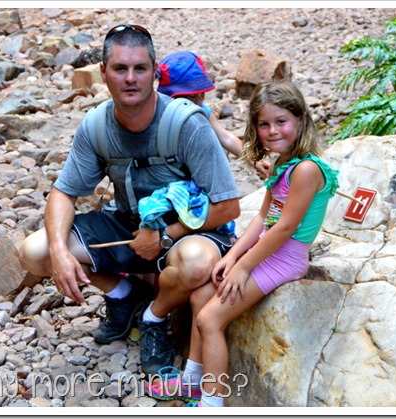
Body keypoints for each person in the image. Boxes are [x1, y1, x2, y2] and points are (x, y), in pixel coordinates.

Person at [18, 24, 241, 375]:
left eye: (140, 69)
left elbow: (228, 206)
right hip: (127, 225)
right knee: (36, 251)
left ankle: (154, 317)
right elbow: (63, 192)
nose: (131, 78)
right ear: (103, 74)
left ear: (154, 73)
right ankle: (124, 295)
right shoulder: (95, 128)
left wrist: (166, 235)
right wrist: (61, 252)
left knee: (197, 263)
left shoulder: (187, 125)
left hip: (187, 231)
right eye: (120, 69)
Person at [144, 80, 339, 406]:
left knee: (210, 319)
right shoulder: (281, 162)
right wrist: (231, 257)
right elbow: (262, 218)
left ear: (300, 120)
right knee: (201, 294)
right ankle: (192, 379)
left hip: (285, 257)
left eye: (281, 121)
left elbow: (284, 228)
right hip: (264, 249)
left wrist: (243, 267)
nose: (272, 131)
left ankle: (212, 402)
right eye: (264, 124)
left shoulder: (305, 170)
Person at [157, 51, 271, 179]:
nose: (198, 100)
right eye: (191, 97)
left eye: (201, 94)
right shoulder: (160, 113)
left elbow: (225, 137)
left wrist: (253, 160)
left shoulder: (201, 110)